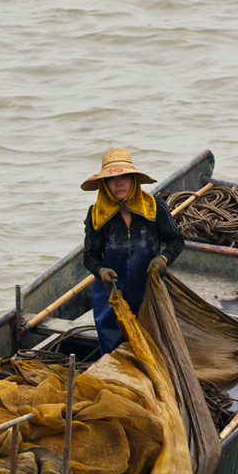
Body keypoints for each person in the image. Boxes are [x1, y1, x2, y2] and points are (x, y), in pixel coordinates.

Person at [80, 146, 184, 354]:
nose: (119, 182)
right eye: (112, 178)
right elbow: (89, 256)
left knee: (152, 350)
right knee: (114, 355)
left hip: (148, 292)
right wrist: (102, 272)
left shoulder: (154, 207)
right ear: (104, 183)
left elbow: (177, 240)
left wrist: (163, 259)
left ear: (134, 180)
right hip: (111, 297)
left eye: (125, 177)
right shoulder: (96, 215)